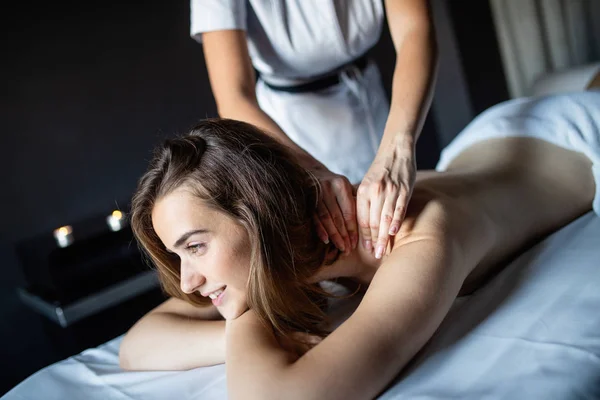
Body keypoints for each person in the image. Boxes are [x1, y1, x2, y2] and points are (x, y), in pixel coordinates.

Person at [119, 87, 600, 399]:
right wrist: (262, 321)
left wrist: (250, 321)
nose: (189, 280)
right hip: (484, 143)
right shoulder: (291, 255)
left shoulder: (417, 241)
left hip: (576, 137)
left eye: (196, 247)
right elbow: (135, 348)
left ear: (258, 217)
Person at [191, 0, 438, 260]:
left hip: (371, 102)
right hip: (288, 129)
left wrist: (397, 148)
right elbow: (234, 97)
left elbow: (416, 30)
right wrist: (309, 168)